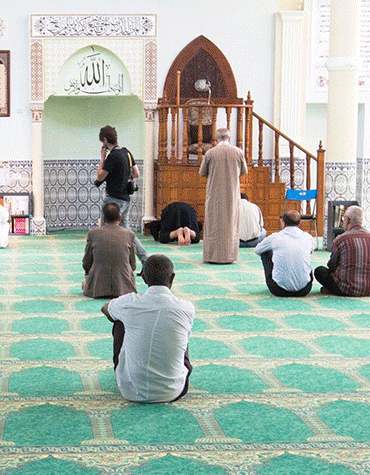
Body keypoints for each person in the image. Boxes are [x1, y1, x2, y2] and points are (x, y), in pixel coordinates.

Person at [103, 254, 195, 403]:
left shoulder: (130, 302)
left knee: (119, 321)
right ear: (172, 278)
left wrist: (122, 312)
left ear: (144, 279)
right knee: (179, 328)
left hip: (131, 391)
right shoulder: (186, 307)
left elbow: (105, 309)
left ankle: (125, 373)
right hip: (173, 391)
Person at [199, 129, 246, 264]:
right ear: (229, 138)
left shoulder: (210, 153)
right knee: (231, 224)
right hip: (232, 195)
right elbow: (244, 171)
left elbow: (202, 172)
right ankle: (230, 256)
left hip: (214, 194)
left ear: (217, 139)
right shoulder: (238, 152)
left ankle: (211, 256)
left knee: (213, 223)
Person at [83, 200, 145, 298]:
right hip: (124, 288)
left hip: (97, 288)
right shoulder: (129, 234)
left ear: (103, 218)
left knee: (85, 282)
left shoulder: (92, 233)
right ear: (120, 218)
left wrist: (89, 275)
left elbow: (86, 263)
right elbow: (132, 265)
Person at [314, 205, 370, 297]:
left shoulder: (341, 239)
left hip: (347, 289)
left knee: (319, 271)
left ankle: (333, 290)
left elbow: (332, 265)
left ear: (347, 220)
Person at [254, 210, 315, 296]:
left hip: (278, 290)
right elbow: (312, 249)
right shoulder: (308, 237)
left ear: (282, 222)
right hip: (304, 290)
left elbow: (257, 250)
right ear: (299, 223)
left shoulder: (275, 237)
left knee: (265, 252)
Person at [93, 125, 136, 219]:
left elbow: (100, 177)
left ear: (105, 140)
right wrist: (123, 175)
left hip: (114, 200)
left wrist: (102, 159)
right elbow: (136, 173)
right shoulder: (126, 152)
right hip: (126, 199)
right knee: (124, 227)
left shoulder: (112, 157)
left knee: (107, 227)